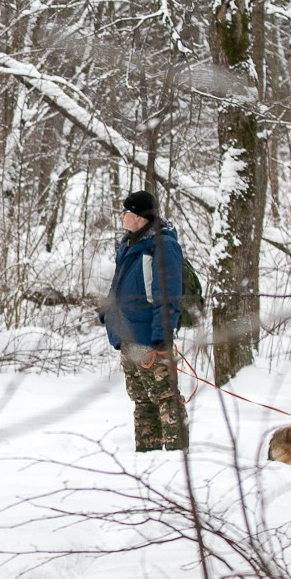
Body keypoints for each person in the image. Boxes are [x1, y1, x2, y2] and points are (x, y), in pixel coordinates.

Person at [101, 190, 188, 452]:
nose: (121, 216)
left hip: (149, 336)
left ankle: (178, 455)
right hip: (127, 335)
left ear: (139, 217)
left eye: (126, 212)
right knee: (142, 400)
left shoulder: (163, 246)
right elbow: (119, 285)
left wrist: (162, 333)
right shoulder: (128, 244)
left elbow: (168, 294)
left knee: (166, 397)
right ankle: (147, 456)